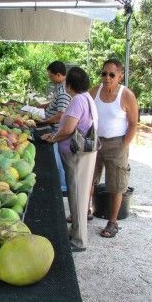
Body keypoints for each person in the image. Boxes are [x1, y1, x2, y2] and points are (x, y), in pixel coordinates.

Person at [42, 67, 98, 252]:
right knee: (78, 193)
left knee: (77, 196)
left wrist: (53, 138)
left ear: (70, 84)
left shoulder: (77, 101)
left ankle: (79, 240)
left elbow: (68, 129)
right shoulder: (88, 98)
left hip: (75, 154)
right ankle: (74, 231)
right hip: (84, 154)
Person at [89, 58, 138, 238]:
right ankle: (87, 211)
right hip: (95, 142)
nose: (107, 78)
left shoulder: (126, 95)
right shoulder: (94, 91)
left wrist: (123, 146)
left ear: (120, 76)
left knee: (116, 185)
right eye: (104, 73)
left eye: (111, 74)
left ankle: (113, 222)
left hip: (117, 143)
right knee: (89, 179)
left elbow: (133, 124)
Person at [35, 61, 71, 194]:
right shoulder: (61, 87)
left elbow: (60, 115)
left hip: (56, 129)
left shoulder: (63, 91)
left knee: (58, 161)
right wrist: (42, 106)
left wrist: (44, 121)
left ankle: (62, 188)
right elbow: (54, 103)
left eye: (51, 76)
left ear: (59, 75)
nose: (50, 78)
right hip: (54, 127)